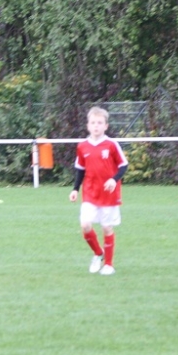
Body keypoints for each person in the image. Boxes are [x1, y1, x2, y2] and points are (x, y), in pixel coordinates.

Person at [68, 106, 128, 275]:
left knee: (107, 228)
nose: (96, 126)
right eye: (93, 123)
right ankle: (98, 252)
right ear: (88, 125)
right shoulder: (82, 146)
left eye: (100, 123)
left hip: (109, 195)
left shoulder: (111, 144)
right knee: (85, 224)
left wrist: (113, 179)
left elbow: (123, 165)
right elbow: (80, 170)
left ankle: (108, 264)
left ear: (106, 126)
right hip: (90, 193)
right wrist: (75, 189)